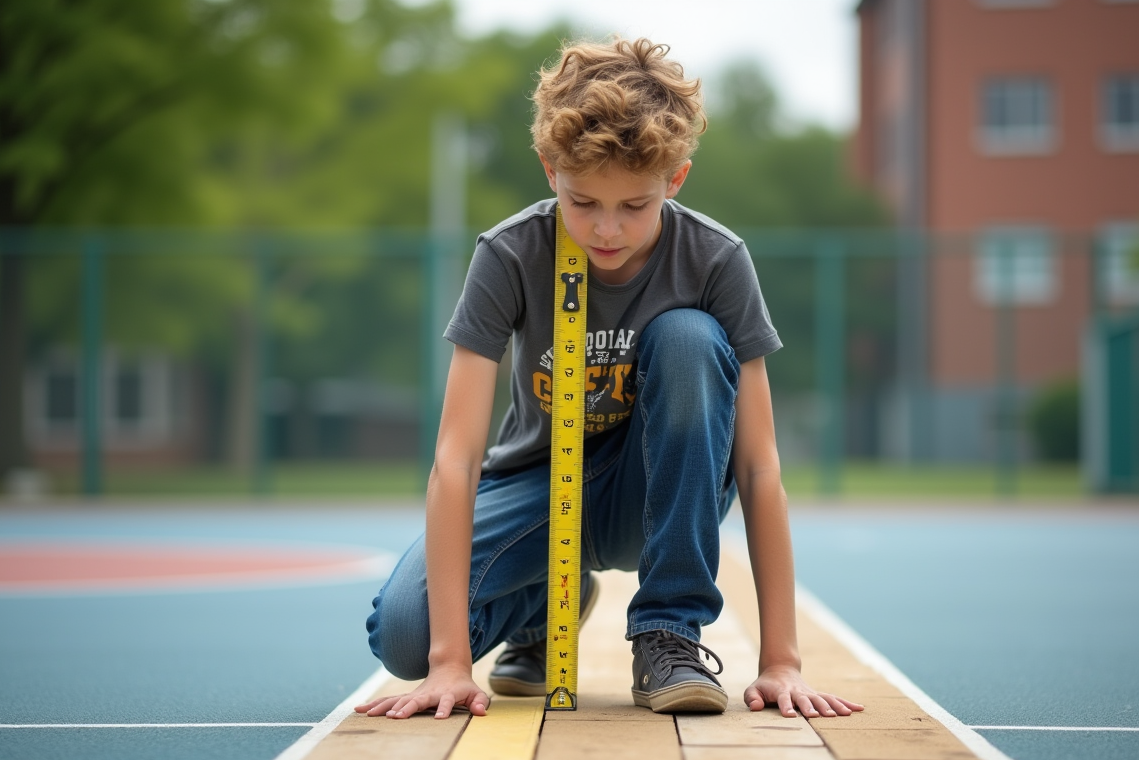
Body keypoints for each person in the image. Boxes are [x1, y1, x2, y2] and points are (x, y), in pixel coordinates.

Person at [358, 37, 864, 721]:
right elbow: (456, 457)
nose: (606, 229)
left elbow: (759, 465)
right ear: (549, 170)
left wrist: (782, 661)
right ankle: (543, 610)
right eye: (582, 201)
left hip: (656, 487)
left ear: (675, 179)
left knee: (689, 337)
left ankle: (668, 634)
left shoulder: (715, 260)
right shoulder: (510, 255)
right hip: (534, 487)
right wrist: (449, 662)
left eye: (635, 205)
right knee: (402, 636)